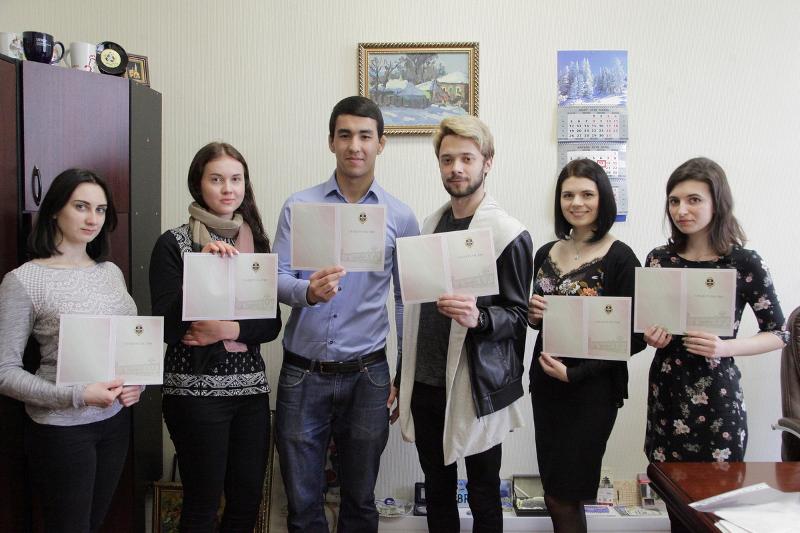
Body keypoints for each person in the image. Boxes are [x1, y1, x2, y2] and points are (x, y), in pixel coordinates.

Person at [272, 96, 419, 532]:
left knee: (360, 501)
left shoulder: (400, 216)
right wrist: (307, 292)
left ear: (381, 144)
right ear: (331, 142)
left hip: (368, 376)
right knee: (302, 505)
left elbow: (406, 299)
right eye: (345, 135)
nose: (355, 145)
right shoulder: (299, 206)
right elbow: (274, 279)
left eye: (365, 136)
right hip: (302, 373)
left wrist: (403, 372)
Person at [395, 115, 533, 532]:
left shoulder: (508, 234)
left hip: (476, 388)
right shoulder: (429, 226)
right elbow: (414, 310)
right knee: (437, 492)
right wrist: (402, 373)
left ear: (487, 162)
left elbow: (520, 316)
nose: (456, 168)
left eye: (467, 159)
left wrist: (479, 317)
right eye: (447, 159)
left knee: (484, 493)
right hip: (426, 383)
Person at [642, 158, 787, 528]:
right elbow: (646, 325)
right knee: (674, 505)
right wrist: (650, 336)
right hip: (667, 394)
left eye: (694, 200)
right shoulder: (659, 259)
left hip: (718, 398)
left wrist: (726, 348)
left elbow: (780, 333)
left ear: (717, 203)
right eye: (674, 201)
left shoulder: (744, 261)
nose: (681, 210)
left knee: (715, 514)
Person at [149, 142, 282, 532]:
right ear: (198, 184)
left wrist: (227, 329)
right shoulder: (173, 243)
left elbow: (270, 324)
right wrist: (201, 271)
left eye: (236, 179)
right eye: (217, 179)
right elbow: (168, 327)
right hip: (194, 396)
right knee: (202, 505)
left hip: (251, 395)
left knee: (246, 502)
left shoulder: (256, 243)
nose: (228, 189)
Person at [0, 168, 142, 532]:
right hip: (61, 430)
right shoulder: (24, 280)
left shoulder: (110, 272)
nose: (93, 218)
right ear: (54, 210)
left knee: (94, 524)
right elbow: (4, 372)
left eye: (100, 209)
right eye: (81, 206)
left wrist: (136, 383)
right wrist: (77, 395)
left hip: (114, 422)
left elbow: (126, 343)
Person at [527, 159, 646, 533]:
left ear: (603, 199)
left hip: (592, 391)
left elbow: (635, 336)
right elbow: (539, 321)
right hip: (546, 386)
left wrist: (574, 374)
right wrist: (532, 315)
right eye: (568, 195)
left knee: (567, 494)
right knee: (554, 493)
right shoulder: (545, 252)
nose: (576, 202)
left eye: (586, 194)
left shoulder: (621, 257)